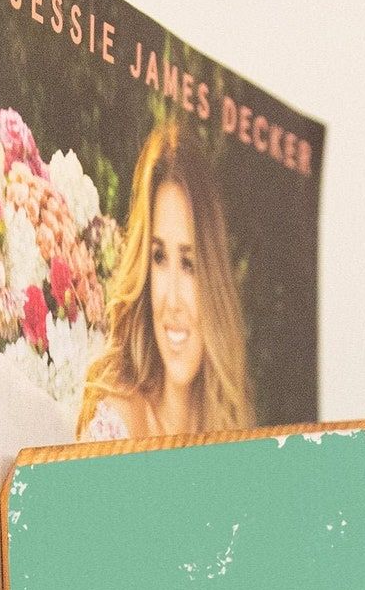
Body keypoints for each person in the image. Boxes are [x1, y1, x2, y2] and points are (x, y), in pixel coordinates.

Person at [76, 119, 253, 441]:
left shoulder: (232, 432)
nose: (171, 300)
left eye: (189, 264)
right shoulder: (115, 425)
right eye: (159, 258)